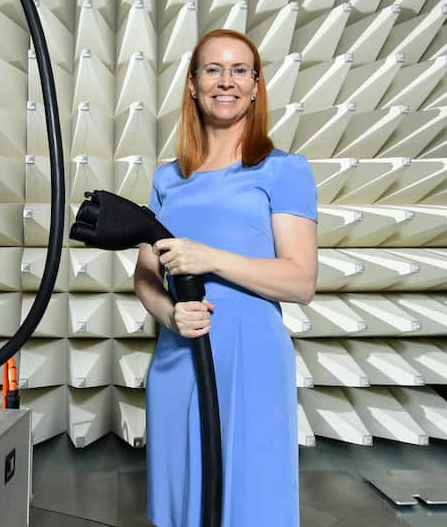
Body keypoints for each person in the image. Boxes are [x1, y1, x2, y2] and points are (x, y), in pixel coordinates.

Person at [135, 28, 319, 527]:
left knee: (249, 502)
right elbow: (145, 278)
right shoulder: (167, 178)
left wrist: (209, 258)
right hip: (179, 355)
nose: (226, 81)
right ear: (193, 85)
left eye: (240, 70)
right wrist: (170, 314)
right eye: (212, 69)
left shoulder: (284, 171)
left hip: (251, 358)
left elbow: (301, 281)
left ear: (257, 86)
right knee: (179, 506)